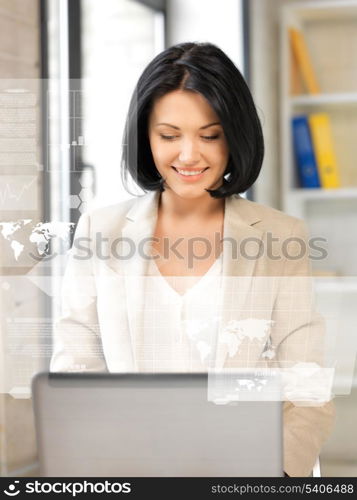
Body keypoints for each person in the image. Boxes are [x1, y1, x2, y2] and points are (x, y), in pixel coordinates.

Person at [50, 42, 335, 477]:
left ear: (235, 135)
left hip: (248, 472)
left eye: (210, 135)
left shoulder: (281, 237)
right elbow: (76, 367)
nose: (188, 155)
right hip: (133, 470)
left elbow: (306, 382)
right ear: (145, 137)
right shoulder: (100, 231)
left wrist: (273, 475)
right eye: (168, 136)